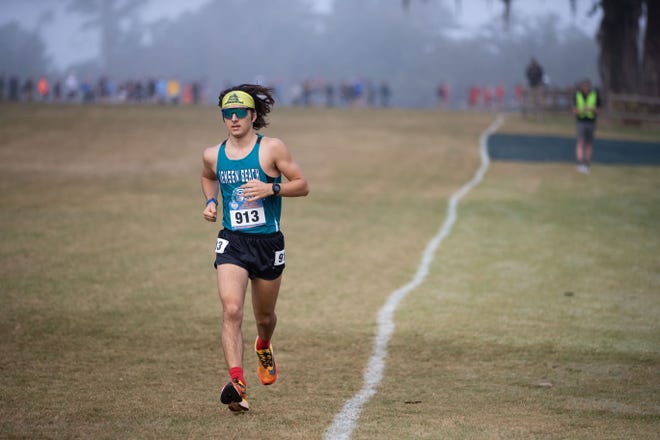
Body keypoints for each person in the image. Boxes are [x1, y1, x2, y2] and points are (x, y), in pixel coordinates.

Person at [200, 84, 309, 412]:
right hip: (233, 241)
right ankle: (237, 383)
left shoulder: (271, 149)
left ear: (253, 115)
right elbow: (208, 176)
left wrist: (271, 187)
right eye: (227, 114)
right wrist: (210, 201)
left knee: (264, 316)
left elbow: (302, 185)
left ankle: (264, 344)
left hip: (267, 243)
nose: (233, 119)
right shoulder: (212, 154)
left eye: (239, 113)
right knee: (231, 310)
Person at [572, 78, 601, 174]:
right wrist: (582, 110)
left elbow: (599, 110)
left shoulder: (595, 95)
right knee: (580, 142)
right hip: (581, 121)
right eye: (584, 86)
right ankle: (580, 163)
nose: (585, 88)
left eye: (587, 86)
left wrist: (591, 109)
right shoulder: (577, 95)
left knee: (588, 143)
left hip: (591, 122)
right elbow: (574, 111)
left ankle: (587, 163)